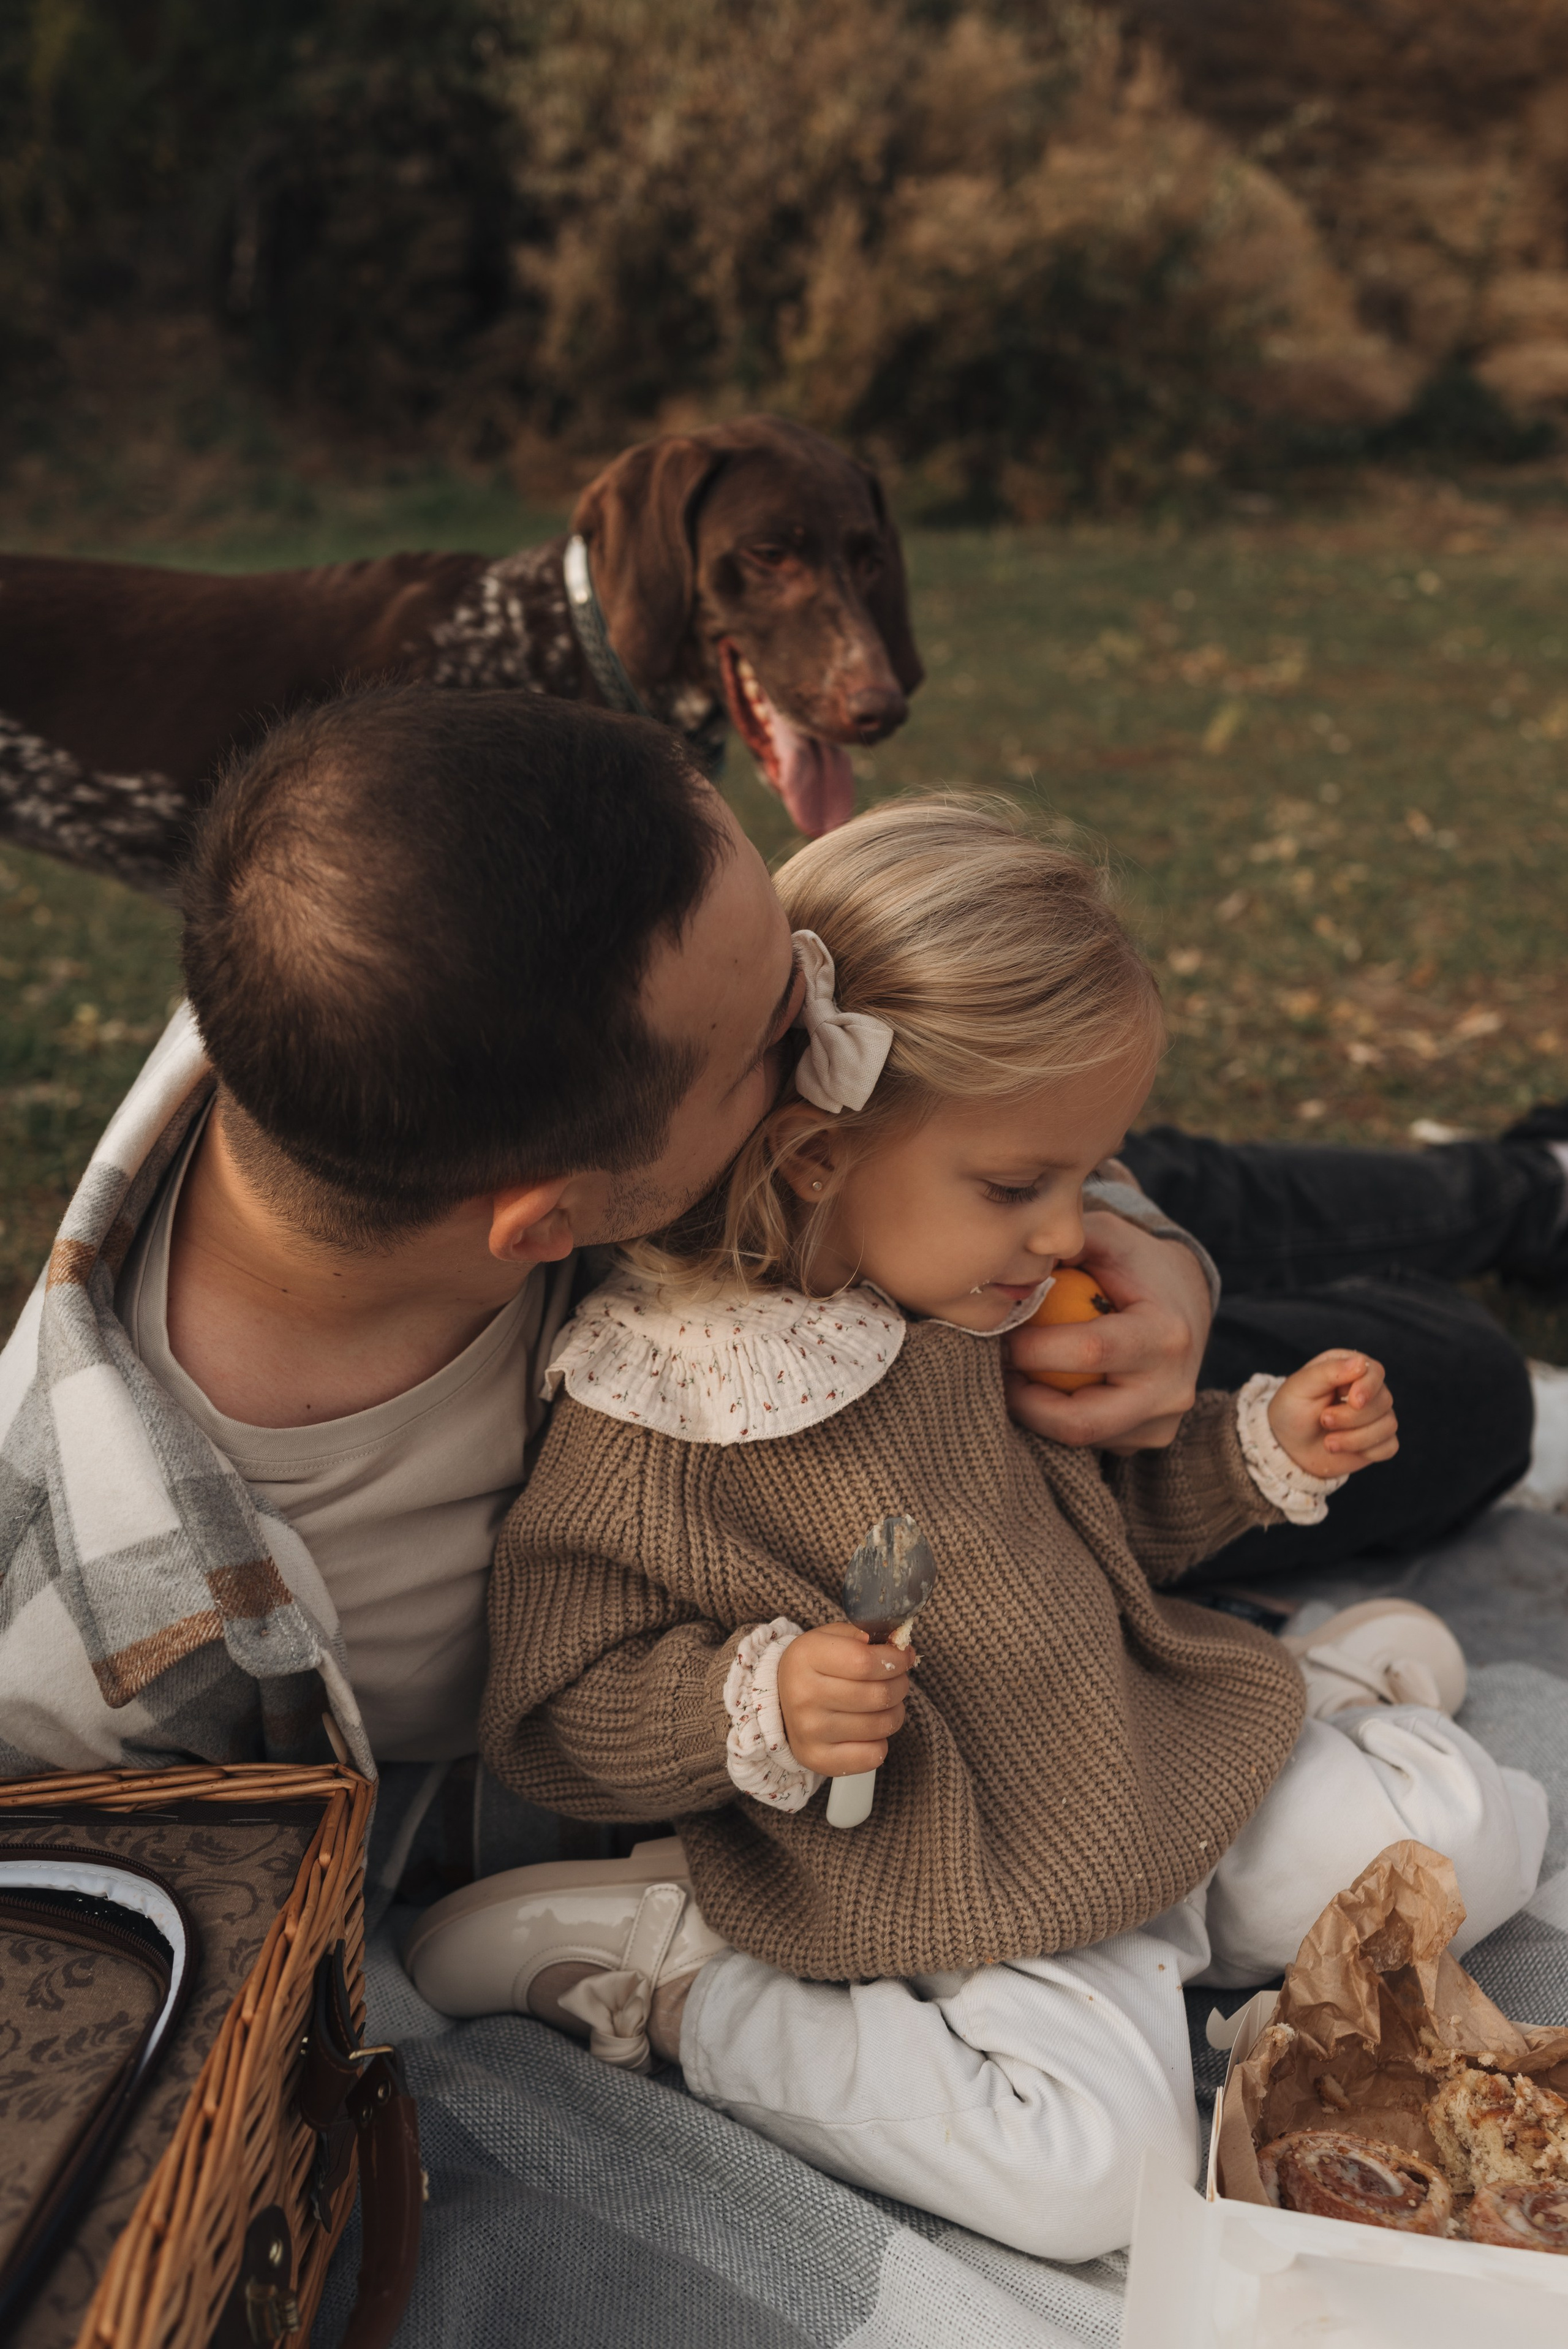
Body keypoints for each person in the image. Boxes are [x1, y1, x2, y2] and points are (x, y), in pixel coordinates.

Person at [451, 797, 1548, 2259]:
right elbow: (554, 1708)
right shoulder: (660, 1411)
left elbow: (1099, 1526)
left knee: (1484, 1836)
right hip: (962, 1881)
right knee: (1092, 2181)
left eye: (1084, 1173)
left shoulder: (965, 1300)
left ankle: (1326, 1689)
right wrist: (755, 1702)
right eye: (1018, 1184)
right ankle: (676, 1982)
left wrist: (1255, 1450)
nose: (1064, 1233)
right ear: (816, 1157)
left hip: (1142, 1766)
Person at [0, 687, 1216, 1778]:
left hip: (925, 1288)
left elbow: (991, 1103)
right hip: (887, 1458)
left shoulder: (387, 963)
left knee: (1309, 1215)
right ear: (551, 1223)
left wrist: (1138, 1238)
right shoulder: (134, 1646)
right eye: (772, 1032)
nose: (833, 1031)